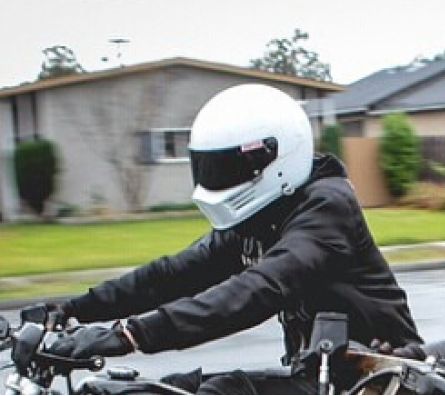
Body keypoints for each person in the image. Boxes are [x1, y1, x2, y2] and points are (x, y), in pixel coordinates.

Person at [47, 84, 423, 393]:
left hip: (381, 381)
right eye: (210, 165)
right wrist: (74, 310)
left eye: (227, 167)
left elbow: (257, 290)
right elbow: (176, 274)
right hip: (318, 379)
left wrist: (132, 335)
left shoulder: (327, 208)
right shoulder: (259, 218)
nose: (217, 177)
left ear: (274, 158)